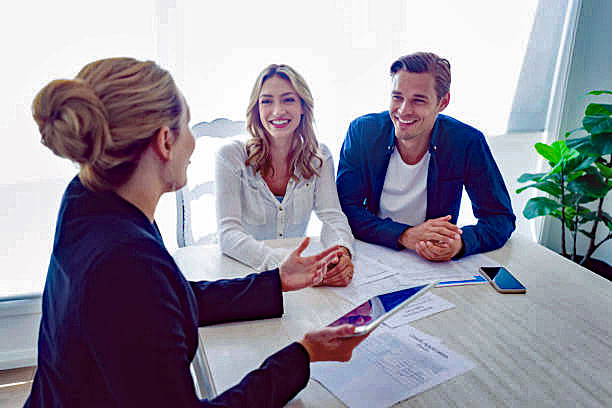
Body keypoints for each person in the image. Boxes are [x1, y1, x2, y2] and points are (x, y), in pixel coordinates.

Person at [25, 57, 368, 407]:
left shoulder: (91, 198)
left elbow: (166, 298)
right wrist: (302, 354)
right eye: (187, 126)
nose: (193, 143)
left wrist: (275, 281)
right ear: (165, 141)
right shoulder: (124, 262)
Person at [337, 52, 515, 261]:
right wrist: (405, 235)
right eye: (397, 97)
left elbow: (500, 218)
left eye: (418, 100)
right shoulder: (362, 131)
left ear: (443, 102)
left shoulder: (466, 142)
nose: (403, 110)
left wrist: (461, 243)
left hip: (432, 262)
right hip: (373, 251)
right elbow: (345, 210)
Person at [215, 64, 355, 285]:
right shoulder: (231, 156)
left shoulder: (319, 156)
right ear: (256, 109)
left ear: (302, 107)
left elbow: (332, 216)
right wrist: (284, 265)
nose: (278, 111)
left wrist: (340, 253)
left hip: (299, 279)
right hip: (243, 273)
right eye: (267, 101)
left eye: (288, 99)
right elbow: (228, 234)